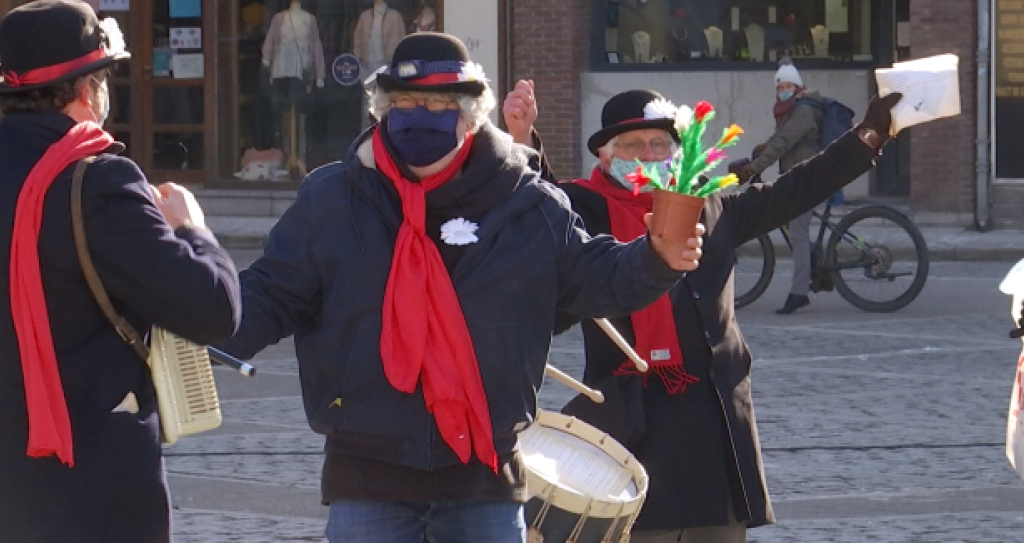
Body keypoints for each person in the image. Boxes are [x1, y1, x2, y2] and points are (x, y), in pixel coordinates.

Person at [214, 32, 704, 543]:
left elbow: (596, 277)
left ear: (470, 114)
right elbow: (273, 291)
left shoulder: (528, 202)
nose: (417, 115)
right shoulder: (333, 198)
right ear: (383, 110)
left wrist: (656, 259)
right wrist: (202, 327)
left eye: (437, 103)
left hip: (486, 477)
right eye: (404, 102)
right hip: (364, 470)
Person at [504, 84, 901, 542]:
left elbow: (797, 189)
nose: (648, 156)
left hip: (713, 423)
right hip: (631, 423)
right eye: (632, 145)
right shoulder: (583, 209)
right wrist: (523, 139)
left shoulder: (710, 205)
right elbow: (540, 209)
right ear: (607, 156)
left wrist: (869, 135)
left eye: (659, 144)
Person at [0, 0, 242, 542]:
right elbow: (213, 308)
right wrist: (192, 229)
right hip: (86, 482)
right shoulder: (98, 181)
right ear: (89, 90)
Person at [733, 58, 824, 314]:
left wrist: (755, 167)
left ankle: (799, 293)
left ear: (797, 87)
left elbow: (783, 143)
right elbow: (778, 139)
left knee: (797, 233)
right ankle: (815, 269)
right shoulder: (789, 110)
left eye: (787, 86)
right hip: (797, 175)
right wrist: (761, 150)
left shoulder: (803, 111)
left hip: (808, 177)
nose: (783, 90)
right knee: (794, 226)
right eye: (780, 87)